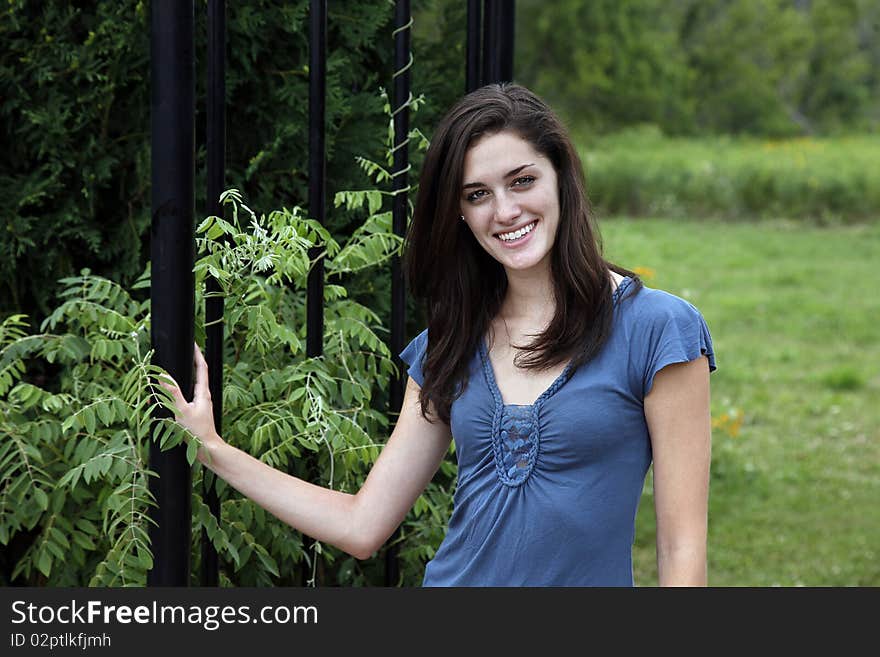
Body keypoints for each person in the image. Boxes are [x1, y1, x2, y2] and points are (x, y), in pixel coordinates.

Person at [165, 83, 716, 587]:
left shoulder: (657, 330)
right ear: (459, 212)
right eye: (477, 194)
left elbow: (681, 546)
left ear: (562, 178)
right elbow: (363, 525)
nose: (505, 210)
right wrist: (213, 449)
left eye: (522, 181)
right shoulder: (447, 347)